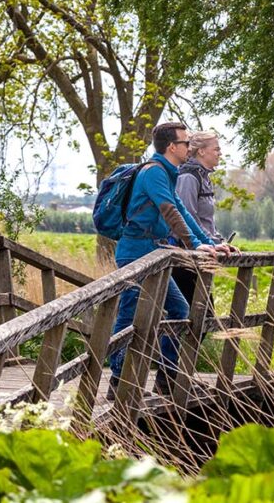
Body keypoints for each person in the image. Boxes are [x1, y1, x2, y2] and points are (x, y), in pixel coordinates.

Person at [107, 122, 226, 399]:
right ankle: (118, 382)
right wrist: (195, 244)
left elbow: (183, 211)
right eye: (185, 143)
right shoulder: (153, 173)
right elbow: (169, 210)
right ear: (171, 147)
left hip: (155, 253)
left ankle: (166, 379)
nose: (189, 147)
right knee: (129, 314)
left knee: (180, 310)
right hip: (135, 253)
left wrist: (208, 244)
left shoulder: (168, 173)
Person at [173, 131, 240, 306]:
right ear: (201, 151)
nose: (220, 153)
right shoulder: (188, 177)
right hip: (187, 258)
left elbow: (205, 220)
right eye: (216, 149)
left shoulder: (203, 177)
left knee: (201, 319)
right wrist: (209, 242)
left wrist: (219, 242)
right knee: (197, 318)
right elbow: (187, 217)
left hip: (201, 254)